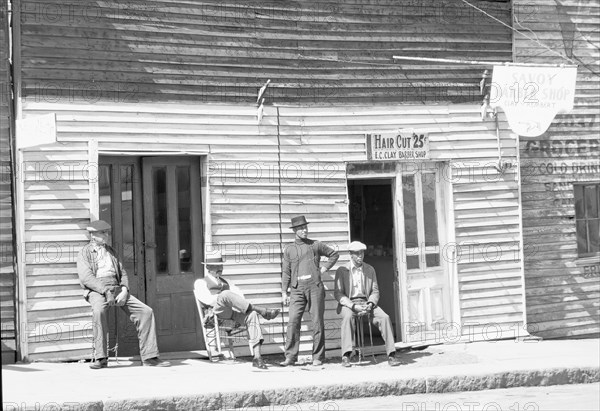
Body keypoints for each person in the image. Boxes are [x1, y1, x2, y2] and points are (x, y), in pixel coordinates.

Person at [77, 220, 170, 369]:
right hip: (98, 290)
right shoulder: (84, 253)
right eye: (102, 233)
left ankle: (150, 357)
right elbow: (86, 277)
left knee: (146, 312)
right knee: (98, 311)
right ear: (93, 235)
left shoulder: (112, 251)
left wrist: (125, 289)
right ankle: (101, 357)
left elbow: (123, 272)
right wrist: (105, 291)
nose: (106, 235)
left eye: (107, 232)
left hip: (117, 287)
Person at [195, 251, 280, 370]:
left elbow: (240, 296)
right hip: (215, 314)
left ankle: (257, 357)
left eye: (221, 265)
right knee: (225, 294)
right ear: (208, 267)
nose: (220, 268)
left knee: (252, 314)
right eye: (216, 266)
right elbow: (209, 300)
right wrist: (226, 298)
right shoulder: (201, 283)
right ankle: (263, 311)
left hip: (232, 314)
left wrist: (232, 300)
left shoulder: (227, 282)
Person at [280, 215, 339, 367]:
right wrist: (284, 292)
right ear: (295, 231)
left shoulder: (316, 245)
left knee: (317, 322)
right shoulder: (289, 249)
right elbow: (286, 272)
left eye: (305, 227)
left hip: (315, 287)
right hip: (296, 289)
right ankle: (290, 357)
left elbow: (334, 254)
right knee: (293, 321)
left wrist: (324, 268)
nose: (304, 230)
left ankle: (318, 357)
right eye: (301, 228)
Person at [334, 241, 401, 367]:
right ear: (350, 254)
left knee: (384, 317)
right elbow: (338, 294)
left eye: (362, 253)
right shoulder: (342, 270)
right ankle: (346, 355)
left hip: (366, 302)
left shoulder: (369, 269)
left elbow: (375, 291)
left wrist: (370, 303)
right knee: (348, 317)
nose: (360, 256)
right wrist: (353, 306)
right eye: (357, 254)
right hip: (349, 304)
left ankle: (391, 355)